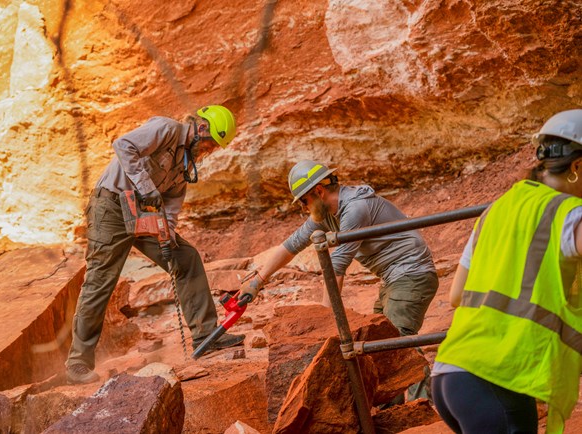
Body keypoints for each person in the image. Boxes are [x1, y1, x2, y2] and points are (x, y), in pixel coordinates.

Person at [66, 105, 245, 384]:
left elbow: (171, 204)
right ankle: (78, 362)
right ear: (201, 129)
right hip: (111, 205)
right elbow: (123, 145)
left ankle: (205, 334)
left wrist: (166, 235)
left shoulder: (185, 164)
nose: (209, 150)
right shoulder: (166, 128)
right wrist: (147, 187)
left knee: (185, 258)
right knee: (100, 280)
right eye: (211, 143)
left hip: (144, 212)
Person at [431, 109, 582, 433]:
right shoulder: (570, 214)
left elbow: (456, 295)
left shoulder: (496, 210)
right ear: (578, 166)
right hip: (496, 379)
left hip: (451, 375)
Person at [240, 159, 439, 401]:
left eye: (304, 201)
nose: (304, 208)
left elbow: (337, 266)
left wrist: (326, 318)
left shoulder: (355, 208)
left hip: (411, 274)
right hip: (394, 279)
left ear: (319, 191)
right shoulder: (327, 213)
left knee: (398, 340)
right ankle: (392, 411)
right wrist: (258, 280)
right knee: (378, 342)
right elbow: (292, 245)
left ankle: (424, 407)